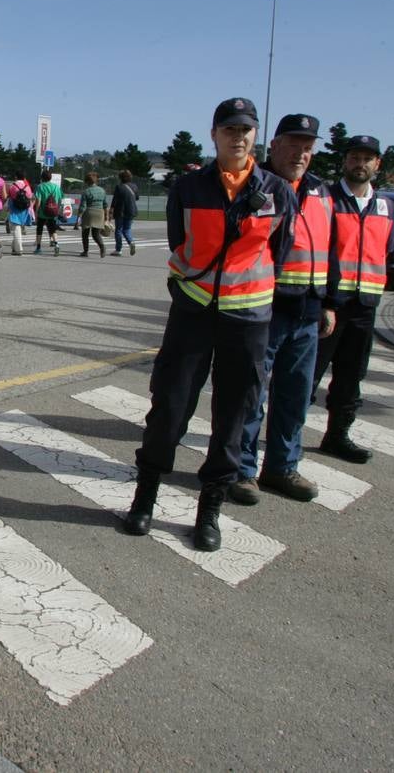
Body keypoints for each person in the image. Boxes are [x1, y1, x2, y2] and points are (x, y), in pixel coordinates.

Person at [124, 98, 294, 551]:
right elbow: (180, 244)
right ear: (214, 134)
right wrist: (185, 292)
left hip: (248, 319)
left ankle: (209, 510)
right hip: (193, 314)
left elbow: (282, 250)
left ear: (255, 136)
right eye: (229, 129)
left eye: (246, 130)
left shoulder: (277, 190)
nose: (238, 137)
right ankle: (144, 500)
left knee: (232, 419)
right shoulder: (189, 187)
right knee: (169, 409)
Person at [234, 114, 333, 505]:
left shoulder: (321, 192)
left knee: (295, 396)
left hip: (308, 310)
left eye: (307, 147)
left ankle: (282, 467)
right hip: (265, 307)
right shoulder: (258, 187)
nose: (300, 153)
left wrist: (328, 303)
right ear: (273, 145)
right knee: (251, 394)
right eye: (293, 144)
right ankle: (241, 471)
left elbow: (331, 249)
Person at [312, 134, 394, 464]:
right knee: (308, 376)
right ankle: (283, 441)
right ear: (344, 162)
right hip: (329, 304)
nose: (360, 164)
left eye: (367, 159)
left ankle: (337, 436)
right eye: (354, 158)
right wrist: (325, 301)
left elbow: (383, 252)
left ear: (377, 164)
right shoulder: (326, 200)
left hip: (365, 306)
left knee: (351, 377)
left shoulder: (387, 206)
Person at [76, 171, 108, 257]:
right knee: (96, 234)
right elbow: (105, 205)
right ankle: (102, 247)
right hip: (100, 213)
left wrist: (78, 218)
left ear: (87, 181)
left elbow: (83, 206)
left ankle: (85, 251)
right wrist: (106, 217)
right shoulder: (102, 190)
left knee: (85, 233)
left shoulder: (86, 191)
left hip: (89, 213)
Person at [33, 170, 64, 256]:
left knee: (39, 230)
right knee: (53, 229)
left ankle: (38, 248)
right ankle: (56, 244)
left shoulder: (40, 187)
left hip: (42, 213)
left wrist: (36, 213)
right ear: (50, 177)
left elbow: (38, 201)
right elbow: (59, 200)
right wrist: (57, 210)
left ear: (42, 178)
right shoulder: (56, 187)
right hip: (53, 212)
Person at [110, 169, 139, 256]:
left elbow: (114, 200)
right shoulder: (135, 186)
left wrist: (111, 210)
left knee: (118, 230)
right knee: (127, 229)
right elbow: (137, 198)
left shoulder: (119, 187)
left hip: (120, 211)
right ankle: (131, 242)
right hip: (131, 210)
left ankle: (118, 250)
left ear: (121, 178)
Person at [6, 173, 35, 255]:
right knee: (18, 229)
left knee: (16, 229)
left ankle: (19, 249)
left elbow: (9, 197)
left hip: (14, 210)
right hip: (24, 210)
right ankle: (14, 248)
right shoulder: (28, 187)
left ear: (16, 177)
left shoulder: (13, 186)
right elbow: (30, 198)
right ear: (24, 178)